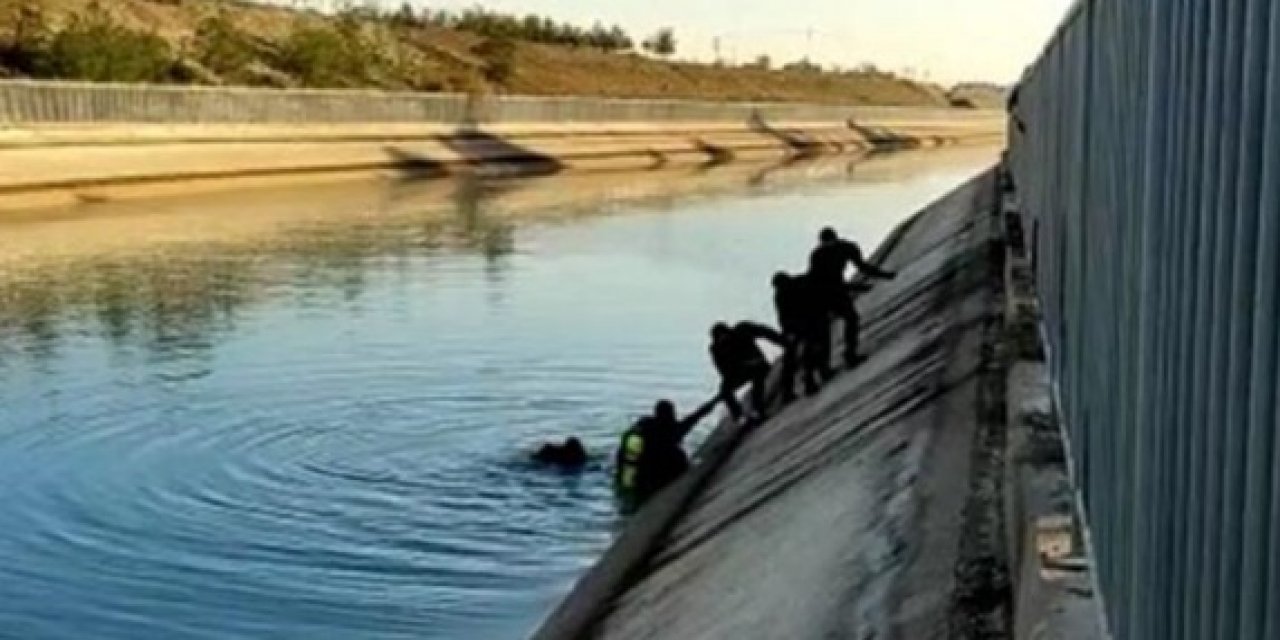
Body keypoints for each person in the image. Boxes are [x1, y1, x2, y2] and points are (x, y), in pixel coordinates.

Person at [808, 227, 896, 366]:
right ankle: (824, 366)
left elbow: (862, 267)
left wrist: (884, 275)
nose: (828, 245)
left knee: (851, 319)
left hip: (835, 290)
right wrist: (856, 287)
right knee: (824, 330)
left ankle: (849, 354)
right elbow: (819, 281)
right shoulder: (818, 255)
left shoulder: (845, 248)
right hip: (823, 293)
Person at [615, 398, 718, 506]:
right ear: (671, 415)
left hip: (641, 476)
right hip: (660, 477)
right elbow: (696, 416)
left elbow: (624, 450)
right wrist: (718, 398)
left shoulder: (644, 427)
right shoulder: (673, 431)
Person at [709, 321, 786, 421]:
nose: (724, 339)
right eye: (720, 339)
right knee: (724, 390)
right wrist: (741, 366)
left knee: (758, 376)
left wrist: (783, 342)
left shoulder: (743, 330)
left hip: (758, 366)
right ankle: (739, 416)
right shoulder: (716, 349)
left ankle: (758, 409)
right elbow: (723, 370)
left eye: (725, 336)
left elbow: (765, 332)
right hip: (738, 371)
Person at [772, 271, 830, 400]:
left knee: (814, 348)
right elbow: (783, 316)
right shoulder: (782, 294)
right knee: (811, 350)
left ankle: (819, 374)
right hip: (802, 323)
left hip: (807, 320)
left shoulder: (794, 286)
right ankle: (813, 378)